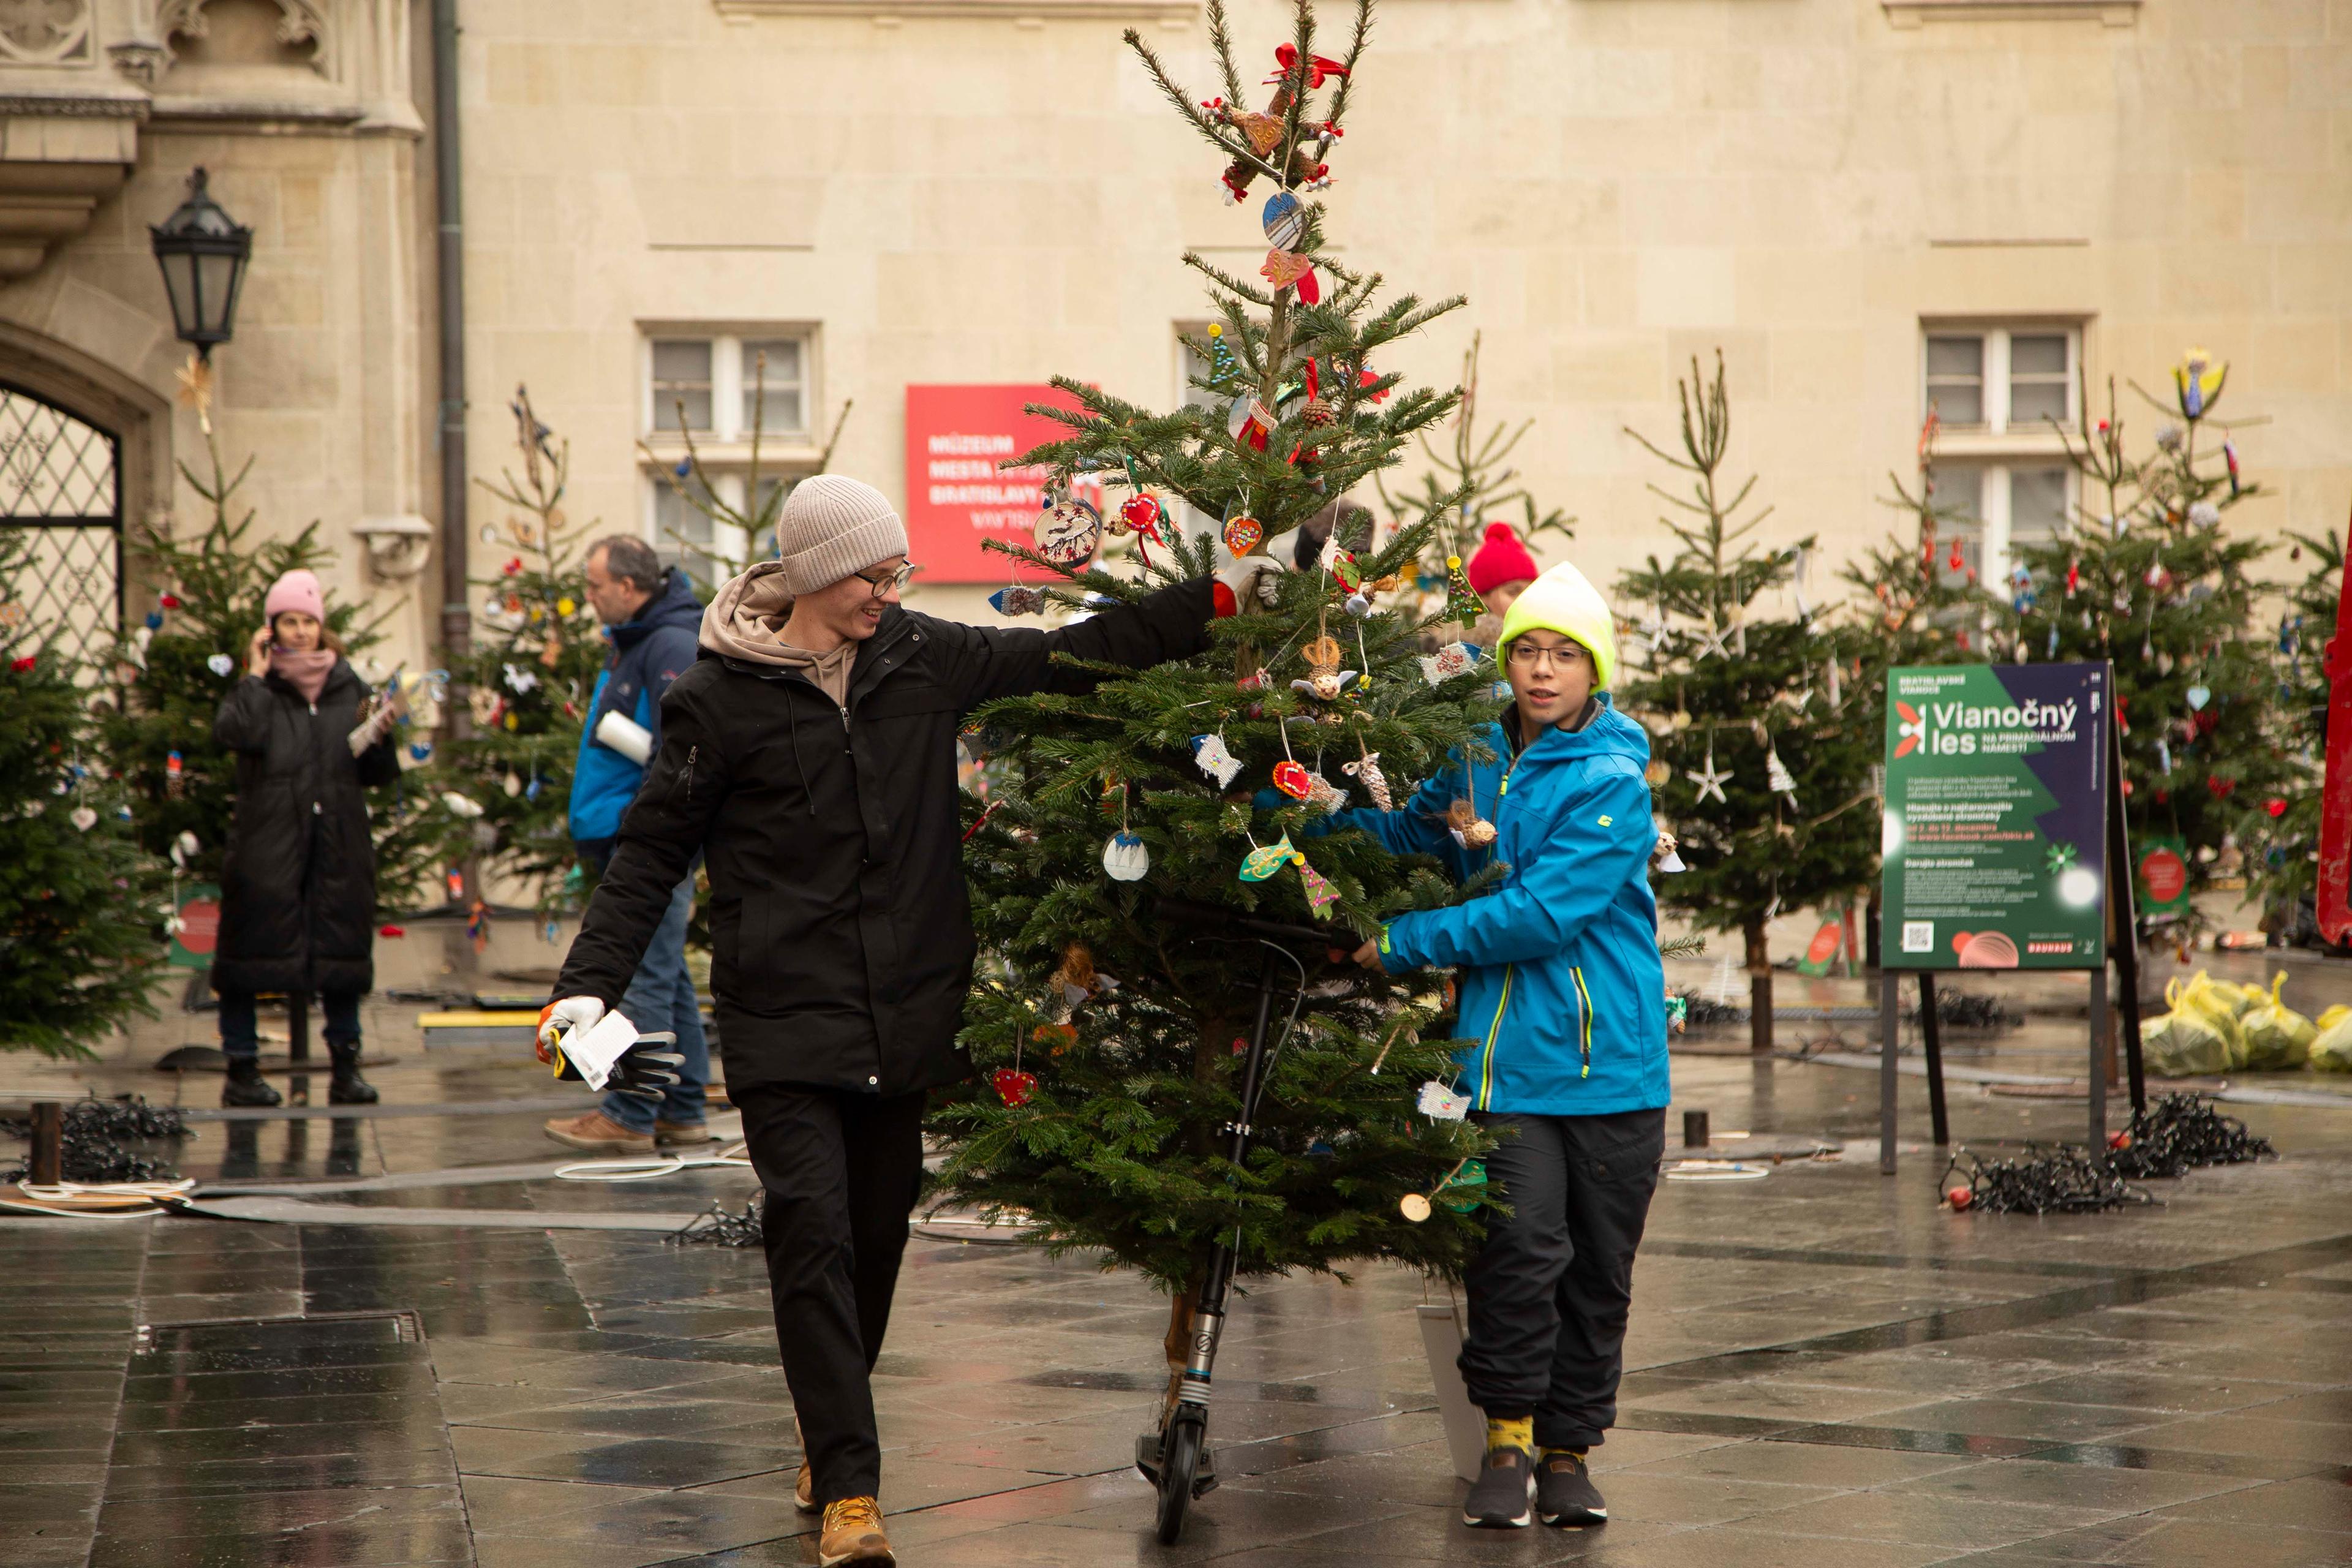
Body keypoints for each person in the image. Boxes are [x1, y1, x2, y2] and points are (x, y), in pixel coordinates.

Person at [538, 475, 1275, 1566]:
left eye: (896, 574)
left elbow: (1069, 654)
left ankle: (825, 1427)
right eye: (876, 574)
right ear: (815, 573)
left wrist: (1216, 600)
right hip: (783, 1008)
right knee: (812, 1231)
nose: (892, 590)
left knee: (875, 1237)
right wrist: (588, 981)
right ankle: (850, 1490)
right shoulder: (718, 696)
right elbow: (652, 850)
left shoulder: (920, 654)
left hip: (906, 1007)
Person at [1336, 560, 1668, 1531]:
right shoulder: (1479, 752)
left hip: (1611, 1070)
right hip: (1504, 1067)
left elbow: (1539, 916)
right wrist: (1307, 817)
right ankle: (1508, 1439)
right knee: (1516, 1256)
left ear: (1594, 671)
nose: (1542, 669)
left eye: (1566, 653)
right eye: (1528, 648)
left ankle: (1569, 1452)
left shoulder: (1612, 780)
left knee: (1597, 1270)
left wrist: (1402, 941)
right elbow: (1414, 832)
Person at [543, 535, 712, 1155]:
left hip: (643, 844)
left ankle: (630, 1111)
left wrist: (638, 833)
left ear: (629, 586)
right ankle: (684, 1106)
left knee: (642, 977)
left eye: (594, 586)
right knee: (666, 980)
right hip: (625, 835)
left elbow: (678, 753)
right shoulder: (639, 640)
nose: (587, 597)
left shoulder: (666, 644)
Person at [211, 568, 404, 1109]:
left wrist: (384, 733)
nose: (299, 633)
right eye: (288, 622)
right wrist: (253, 672)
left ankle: (346, 1068)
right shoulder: (259, 689)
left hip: (338, 843)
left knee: (341, 956)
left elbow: (377, 774)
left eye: (308, 622)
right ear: (271, 629)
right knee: (248, 958)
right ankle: (242, 1071)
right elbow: (233, 733)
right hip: (266, 844)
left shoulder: (351, 689)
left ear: (323, 628)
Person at [1464, 519, 1541, 650]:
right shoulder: (1465, 652)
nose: (1523, 600)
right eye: (1513, 592)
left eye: (1530, 591)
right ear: (1482, 597)